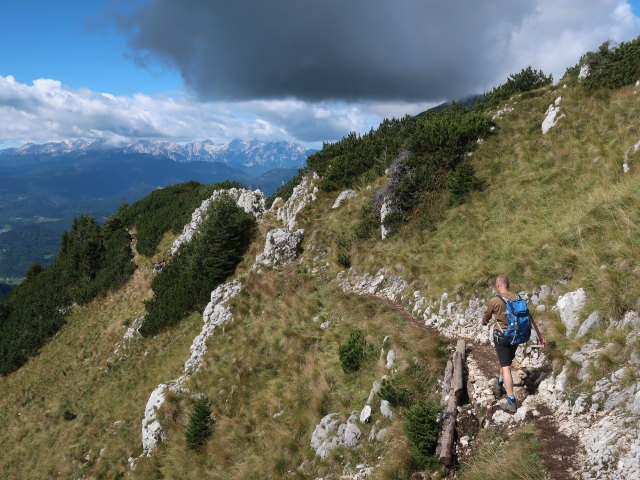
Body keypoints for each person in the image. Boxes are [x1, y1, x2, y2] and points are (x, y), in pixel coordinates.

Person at [482, 275, 545, 413]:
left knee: (506, 367)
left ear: (498, 286)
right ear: (508, 285)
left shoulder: (495, 300)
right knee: (506, 361)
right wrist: (540, 336)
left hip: (502, 337)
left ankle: (511, 401)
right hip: (516, 335)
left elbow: (486, 316)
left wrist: (484, 322)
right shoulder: (517, 297)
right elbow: (529, 316)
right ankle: (499, 383)